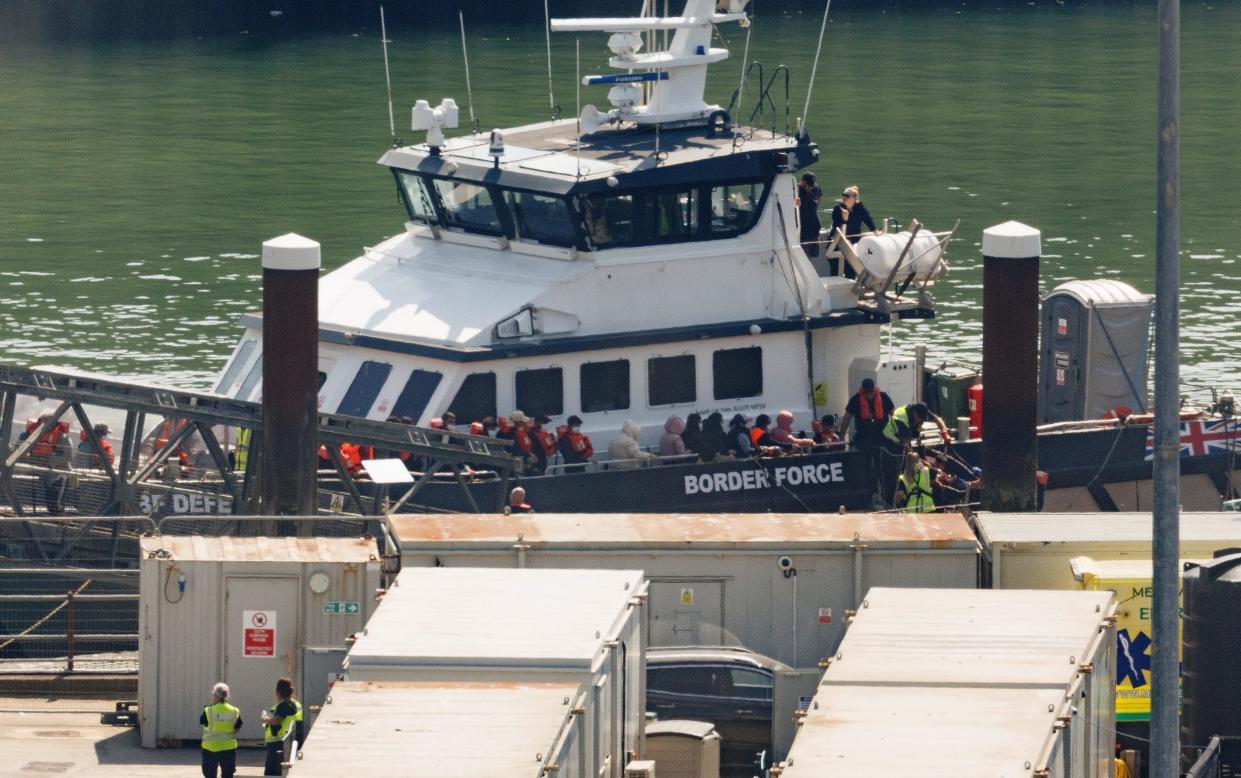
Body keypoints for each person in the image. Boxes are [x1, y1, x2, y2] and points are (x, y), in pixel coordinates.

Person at [200, 681, 242, 778]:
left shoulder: (208, 710)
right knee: (227, 774)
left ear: (215, 696)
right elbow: (238, 729)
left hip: (210, 748)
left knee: (210, 775)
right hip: (228, 748)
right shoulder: (235, 711)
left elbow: (202, 722)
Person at [839, 378, 895, 452]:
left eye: (871, 391)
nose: (869, 394)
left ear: (874, 389)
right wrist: (842, 437)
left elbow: (894, 415)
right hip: (863, 439)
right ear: (863, 390)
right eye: (867, 392)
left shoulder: (884, 397)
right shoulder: (855, 400)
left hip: (882, 439)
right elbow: (846, 419)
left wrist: (896, 433)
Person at [262, 677, 303, 776]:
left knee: (272, 774)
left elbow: (276, 721)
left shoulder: (284, 705)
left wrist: (265, 719)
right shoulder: (296, 704)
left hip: (278, 744)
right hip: (291, 742)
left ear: (278, 693)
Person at [882, 402, 951, 451]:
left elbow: (938, 419)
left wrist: (945, 434)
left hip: (906, 436)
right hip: (890, 439)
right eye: (920, 418)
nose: (921, 420)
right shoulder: (901, 419)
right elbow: (908, 446)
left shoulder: (920, 409)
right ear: (914, 413)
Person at [797, 172, 823, 258]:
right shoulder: (797, 190)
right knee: (803, 255)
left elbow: (819, 199)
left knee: (812, 254)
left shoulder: (816, 188)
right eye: (809, 185)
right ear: (803, 182)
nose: (811, 187)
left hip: (815, 227)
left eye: (812, 185)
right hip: (804, 229)